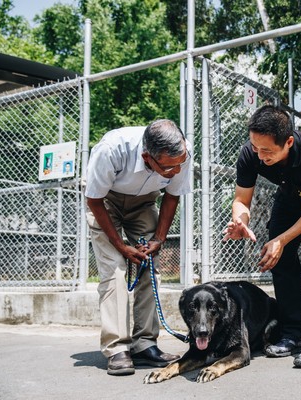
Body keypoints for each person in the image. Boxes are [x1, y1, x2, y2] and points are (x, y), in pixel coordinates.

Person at [223, 105, 301, 368]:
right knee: (279, 258)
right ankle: (293, 334)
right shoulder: (251, 152)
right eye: (256, 147)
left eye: (267, 151)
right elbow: (241, 200)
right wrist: (240, 221)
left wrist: (282, 239)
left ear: (288, 142)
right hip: (290, 194)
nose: (259, 154)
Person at [85, 119, 191, 376]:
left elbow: (172, 195)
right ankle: (117, 348)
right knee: (115, 270)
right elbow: (94, 200)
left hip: (144, 202)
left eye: (179, 164)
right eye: (168, 167)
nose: (176, 171)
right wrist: (120, 246)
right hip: (105, 201)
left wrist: (159, 238)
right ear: (147, 157)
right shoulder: (111, 149)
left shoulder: (181, 154)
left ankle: (144, 344)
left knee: (149, 266)